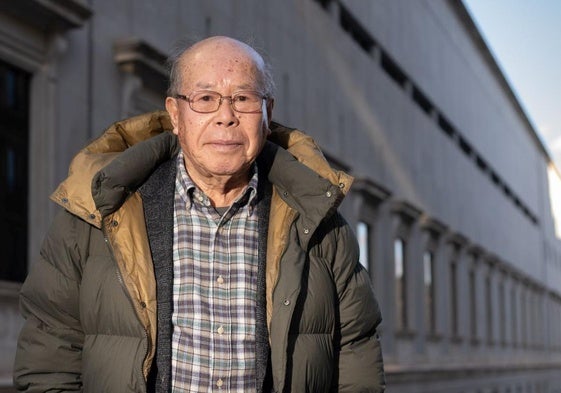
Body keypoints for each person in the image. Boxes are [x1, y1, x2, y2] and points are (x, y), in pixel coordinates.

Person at [13, 36, 385, 392]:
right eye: (205, 98)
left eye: (243, 98)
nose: (226, 116)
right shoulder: (98, 212)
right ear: (175, 114)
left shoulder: (320, 223)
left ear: (267, 113)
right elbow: (50, 352)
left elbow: (356, 355)